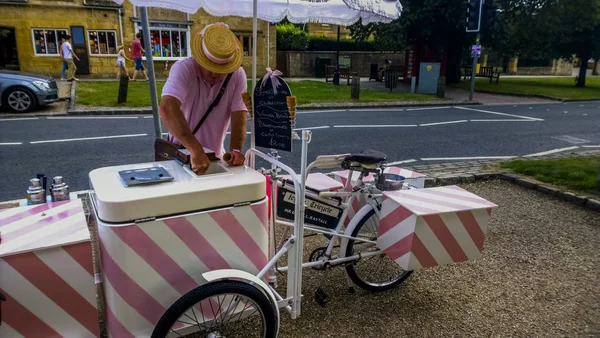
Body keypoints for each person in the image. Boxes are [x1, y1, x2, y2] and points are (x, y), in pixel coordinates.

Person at [160, 22, 247, 175]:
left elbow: (239, 116)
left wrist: (235, 150)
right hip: (180, 155)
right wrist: (195, 149)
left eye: (222, 69)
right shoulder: (183, 68)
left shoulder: (237, 74)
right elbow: (168, 108)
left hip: (215, 157)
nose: (216, 74)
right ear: (200, 58)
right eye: (211, 67)